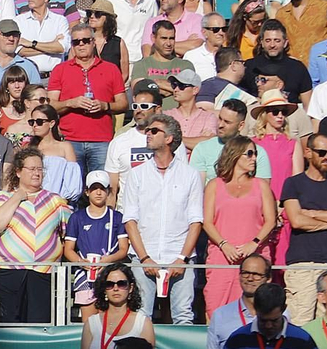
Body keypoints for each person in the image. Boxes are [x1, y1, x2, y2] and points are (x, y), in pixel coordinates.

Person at [120, 114, 204, 323]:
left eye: (154, 130)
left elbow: (196, 221)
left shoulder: (190, 175)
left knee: (183, 316)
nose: (148, 133)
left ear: (169, 138)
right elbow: (130, 220)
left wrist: (182, 258)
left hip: (180, 255)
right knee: (140, 317)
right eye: (148, 130)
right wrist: (144, 258)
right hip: (144, 255)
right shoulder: (137, 174)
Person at [0, 147, 71, 322]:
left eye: (40, 169)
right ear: (18, 171)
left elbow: (68, 233)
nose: (37, 173)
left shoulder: (55, 201)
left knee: (39, 323)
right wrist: (17, 197)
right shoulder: (3, 197)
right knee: (11, 323)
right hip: (9, 271)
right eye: (32, 169)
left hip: (44, 272)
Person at [281, 133, 327, 323]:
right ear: (308, 152)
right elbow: (297, 221)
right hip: (302, 264)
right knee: (300, 324)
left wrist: (312, 214)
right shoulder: (293, 183)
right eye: (321, 152)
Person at [201, 135, 276, 314]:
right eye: (249, 154)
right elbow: (207, 222)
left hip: (255, 256)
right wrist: (224, 244)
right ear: (234, 155)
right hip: (222, 256)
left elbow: (270, 220)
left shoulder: (261, 186)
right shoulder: (214, 185)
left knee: (256, 308)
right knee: (217, 307)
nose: (254, 158)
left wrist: (254, 243)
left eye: (255, 154)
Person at [48, 22, 128, 173]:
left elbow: (123, 103)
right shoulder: (60, 70)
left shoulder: (111, 69)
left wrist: (105, 105)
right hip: (70, 140)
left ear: (93, 42)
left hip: (101, 140)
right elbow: (50, 105)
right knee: (72, 184)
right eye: (76, 42)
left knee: (101, 183)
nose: (81, 45)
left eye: (85, 40)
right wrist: (71, 103)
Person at [64, 171, 130, 318]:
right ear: (87, 192)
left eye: (102, 188)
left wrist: (108, 260)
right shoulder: (77, 217)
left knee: (110, 321)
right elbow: (68, 249)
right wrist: (81, 262)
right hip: (85, 275)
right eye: (94, 188)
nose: (98, 193)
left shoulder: (117, 217)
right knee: (89, 323)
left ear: (108, 191)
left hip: (110, 274)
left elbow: (123, 249)